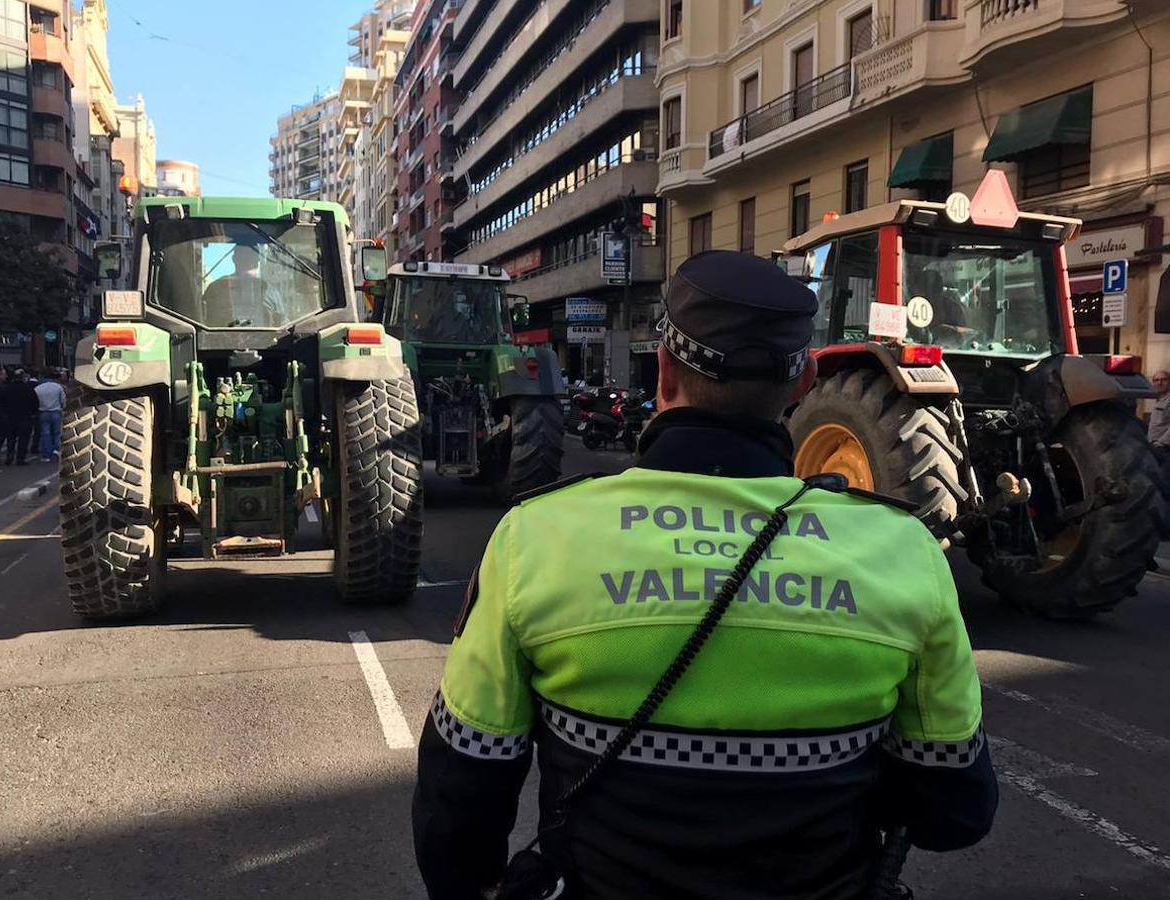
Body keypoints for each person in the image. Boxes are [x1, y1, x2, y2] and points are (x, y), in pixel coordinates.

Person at [413, 250, 997, 900]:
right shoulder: (903, 549)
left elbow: (459, 797)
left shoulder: (537, 536)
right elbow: (954, 813)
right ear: (802, 379)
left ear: (663, 371)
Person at [0, 369, 38, 466]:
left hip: (10, 418)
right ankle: (20, 458)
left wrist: (4, 413)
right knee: (23, 439)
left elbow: (0, 403)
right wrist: (33, 413)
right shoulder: (28, 388)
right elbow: (34, 402)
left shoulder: (6, 388)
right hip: (25, 417)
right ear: (23, 377)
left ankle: (10, 455)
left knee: (11, 438)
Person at [34, 369, 67, 462]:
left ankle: (46, 455)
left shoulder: (38, 388)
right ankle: (56, 450)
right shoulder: (58, 387)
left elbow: (35, 401)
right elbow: (63, 400)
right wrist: (63, 408)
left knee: (45, 434)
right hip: (56, 412)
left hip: (43, 412)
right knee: (57, 433)